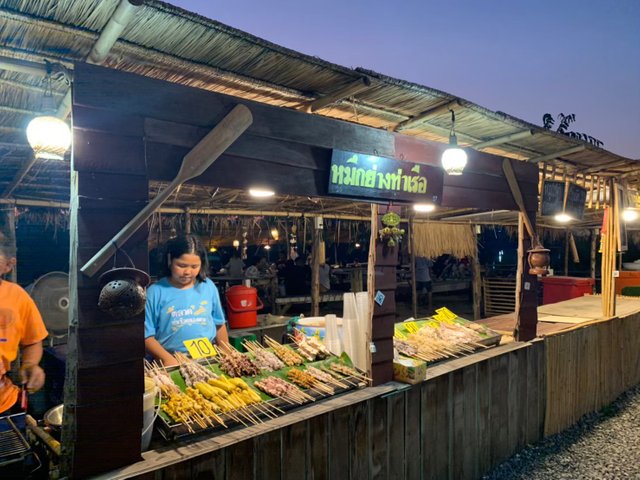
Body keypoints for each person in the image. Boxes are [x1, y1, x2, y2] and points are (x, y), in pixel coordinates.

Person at [145, 235, 229, 367]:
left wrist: (226, 352)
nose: (188, 272)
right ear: (170, 260)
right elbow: (146, 336)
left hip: (208, 357)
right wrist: (167, 359)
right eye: (181, 265)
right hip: (172, 359)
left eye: (195, 266)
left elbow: (219, 324)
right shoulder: (155, 292)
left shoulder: (208, 286)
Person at [0, 245, 48, 415]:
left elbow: (33, 340)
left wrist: (30, 364)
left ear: (8, 265)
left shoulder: (17, 296)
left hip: (3, 401)